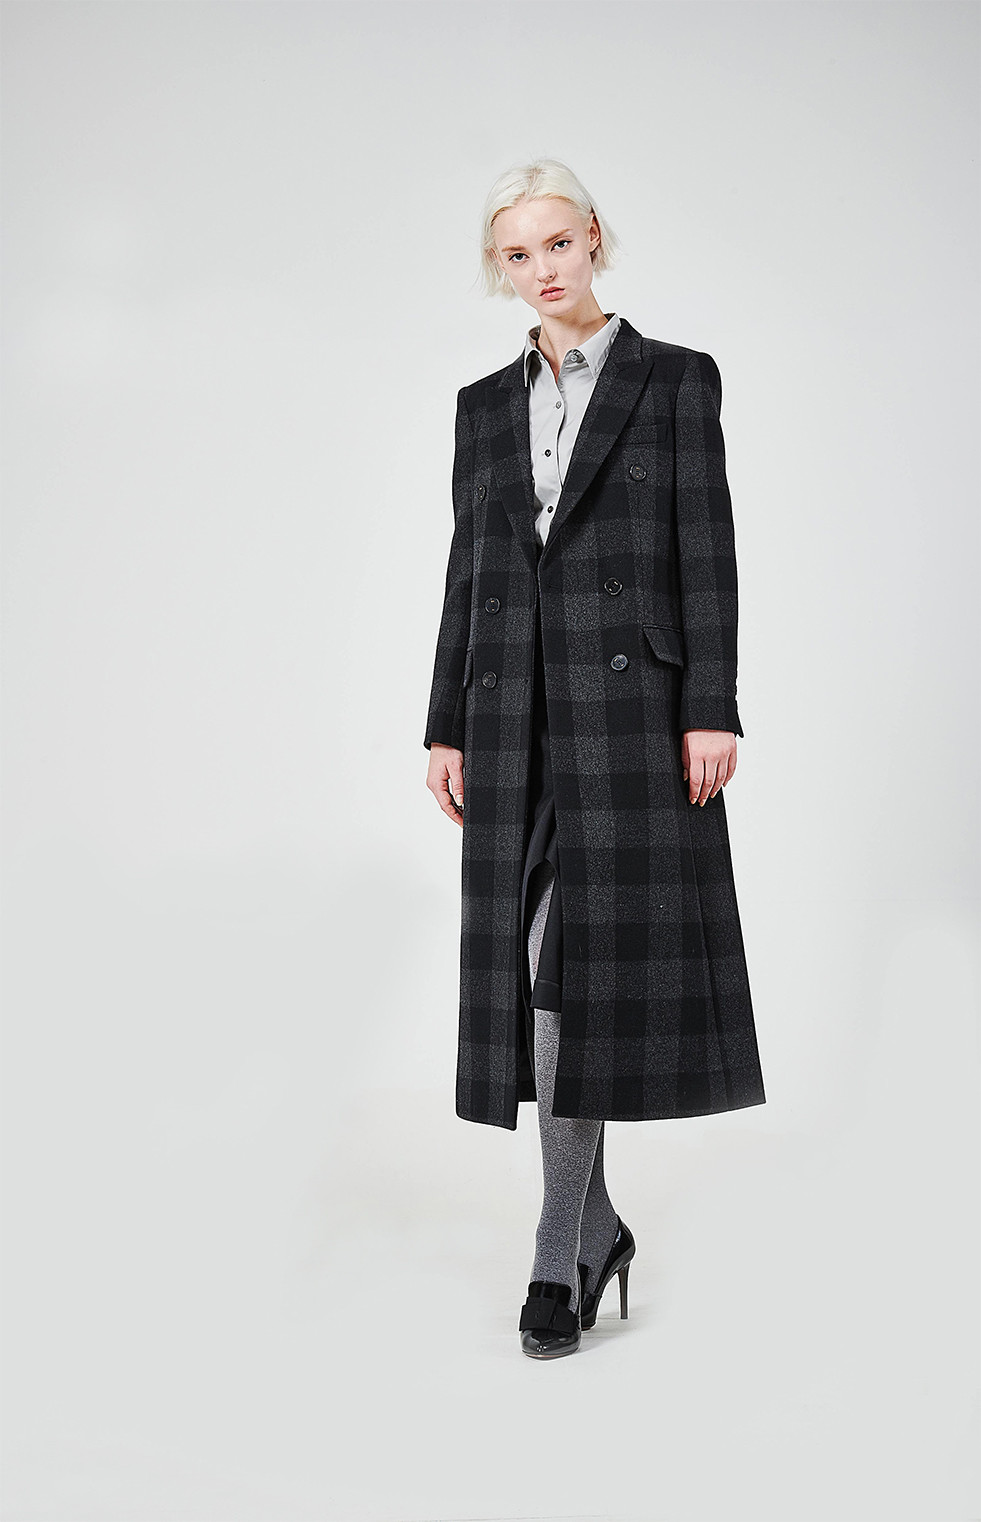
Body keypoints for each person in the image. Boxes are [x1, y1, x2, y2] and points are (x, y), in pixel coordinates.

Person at [424, 159, 765, 1360]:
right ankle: (601, 1223)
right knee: (540, 972)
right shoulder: (481, 406)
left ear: (595, 238)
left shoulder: (675, 379)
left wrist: (711, 704)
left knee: (572, 968)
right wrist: (444, 722)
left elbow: (705, 548)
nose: (544, 269)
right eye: (517, 255)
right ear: (500, 268)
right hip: (512, 709)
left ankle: (556, 1246)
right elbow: (469, 569)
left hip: (630, 715)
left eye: (559, 243)